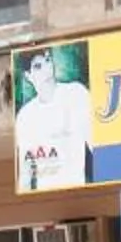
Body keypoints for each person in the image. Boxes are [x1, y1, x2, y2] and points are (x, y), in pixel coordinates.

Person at [14, 42, 94, 190]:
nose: (46, 68)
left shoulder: (76, 93)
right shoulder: (25, 117)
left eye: (48, 60)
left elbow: (95, 143)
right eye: (38, 66)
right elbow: (25, 173)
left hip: (79, 190)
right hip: (45, 198)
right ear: (28, 75)